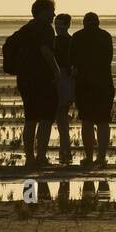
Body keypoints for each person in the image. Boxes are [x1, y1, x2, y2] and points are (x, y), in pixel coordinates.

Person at [11, 0, 61, 167]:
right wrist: (56, 70)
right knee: (46, 118)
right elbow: (46, 51)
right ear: (42, 12)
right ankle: (40, 156)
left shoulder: (26, 28)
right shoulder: (46, 29)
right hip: (42, 79)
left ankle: (30, 158)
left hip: (25, 78)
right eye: (50, 11)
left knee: (31, 118)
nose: (53, 14)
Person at [70, 11, 115, 165]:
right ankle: (101, 156)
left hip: (84, 83)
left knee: (87, 121)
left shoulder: (77, 37)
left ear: (84, 23)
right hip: (104, 82)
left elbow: (73, 60)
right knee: (103, 121)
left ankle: (89, 157)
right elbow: (109, 58)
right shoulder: (105, 36)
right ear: (98, 23)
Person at [52, 13, 75, 164]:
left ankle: (65, 149)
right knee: (61, 117)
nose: (58, 27)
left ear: (67, 25)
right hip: (58, 79)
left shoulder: (69, 41)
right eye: (56, 24)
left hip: (64, 79)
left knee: (61, 116)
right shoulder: (57, 40)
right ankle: (65, 149)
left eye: (61, 25)